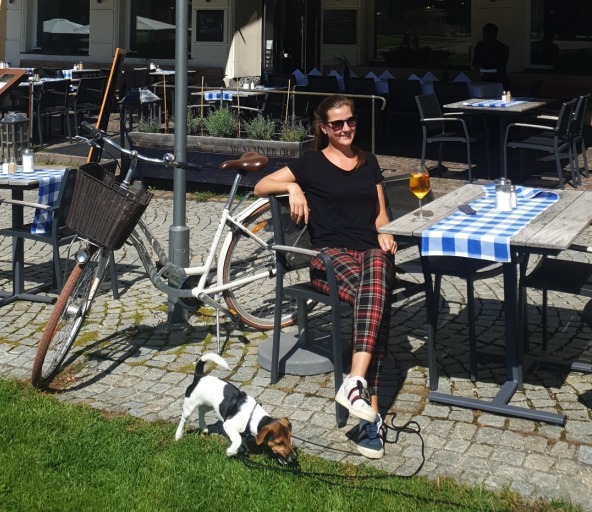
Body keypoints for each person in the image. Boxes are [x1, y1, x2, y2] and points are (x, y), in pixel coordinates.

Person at [254, 95, 397, 460]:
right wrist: (294, 187)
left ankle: (355, 385)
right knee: (376, 304)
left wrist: (385, 232)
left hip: (370, 255)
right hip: (329, 259)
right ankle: (369, 416)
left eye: (350, 121)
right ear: (323, 128)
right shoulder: (310, 164)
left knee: (377, 275)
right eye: (337, 124)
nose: (346, 128)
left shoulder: (369, 161)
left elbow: (380, 215)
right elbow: (260, 186)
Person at [472, 23, 510, 90]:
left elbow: (501, 67)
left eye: (489, 36)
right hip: (484, 80)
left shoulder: (502, 48)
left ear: (495, 35)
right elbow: (475, 62)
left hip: (499, 81)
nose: (486, 39)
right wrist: (479, 68)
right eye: (484, 36)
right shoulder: (480, 46)